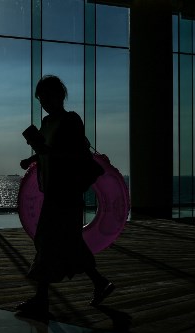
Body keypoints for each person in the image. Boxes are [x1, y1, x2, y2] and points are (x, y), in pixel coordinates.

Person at [17, 75, 114, 318]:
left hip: (67, 190)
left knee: (46, 240)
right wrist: (32, 158)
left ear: (59, 95)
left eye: (47, 97)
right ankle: (100, 282)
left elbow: (76, 156)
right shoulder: (47, 122)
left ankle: (41, 299)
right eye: (41, 99)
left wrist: (47, 151)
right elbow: (45, 152)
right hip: (53, 189)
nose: (44, 103)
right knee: (68, 242)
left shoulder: (71, 121)